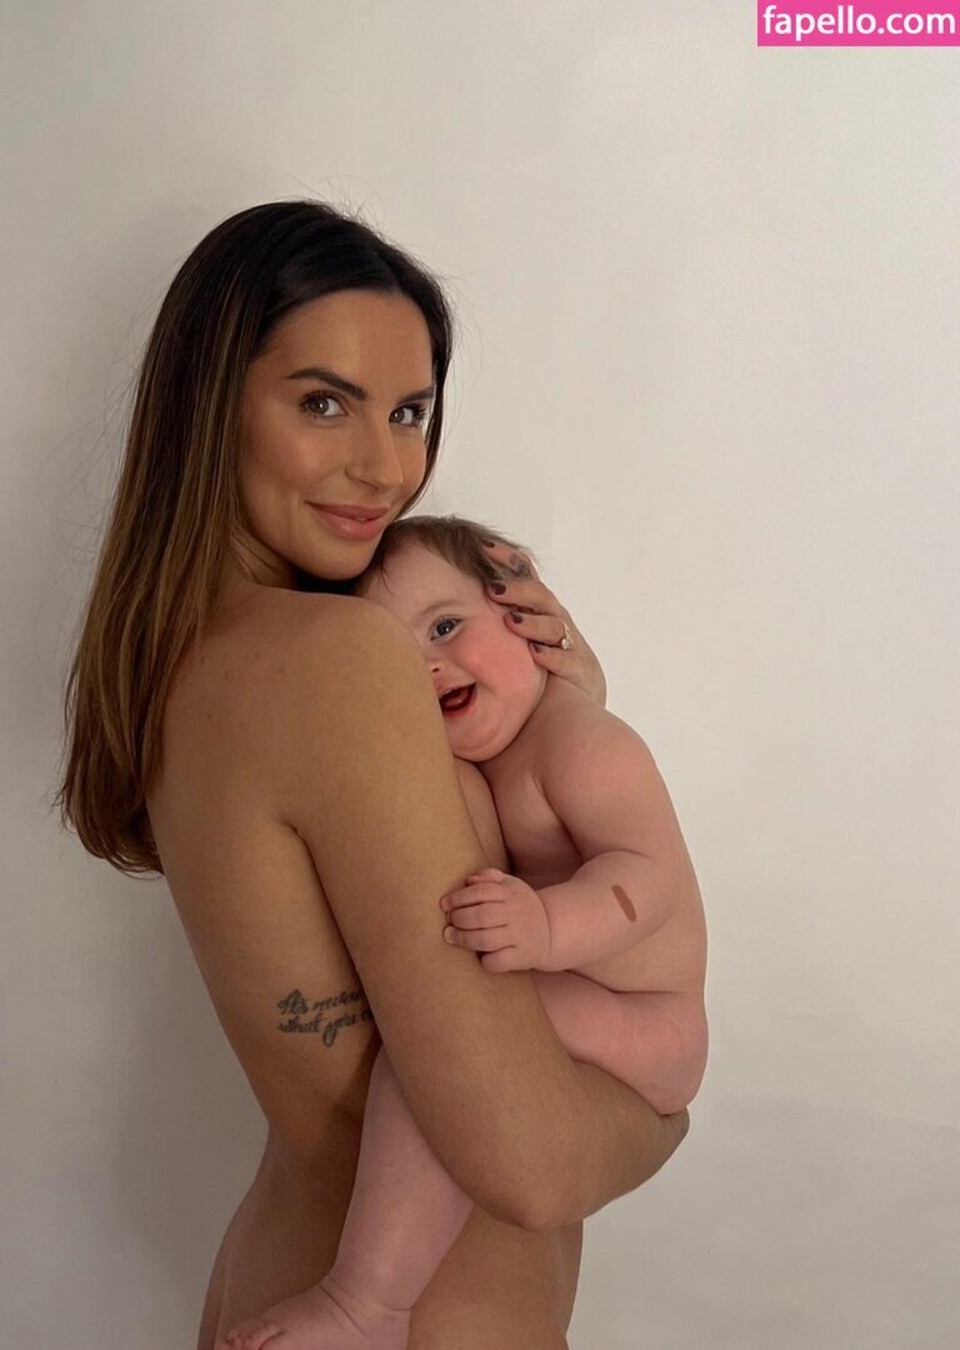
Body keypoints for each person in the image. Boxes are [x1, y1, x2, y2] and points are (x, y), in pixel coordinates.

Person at [57, 201, 690, 1350]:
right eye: (323, 403)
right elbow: (530, 1162)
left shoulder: (213, 656)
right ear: (211, 404)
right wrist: (668, 1115)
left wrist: (560, 720)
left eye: (409, 412)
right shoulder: (339, 662)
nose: (385, 465)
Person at [221, 515, 707, 1349]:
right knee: (439, 1060)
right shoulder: (500, 749)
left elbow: (651, 879)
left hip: (648, 1021)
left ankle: (366, 1306)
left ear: (526, 612)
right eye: (399, 658)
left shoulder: (584, 742)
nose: (430, 664)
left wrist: (547, 925)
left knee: (435, 1063)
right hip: (592, 1002)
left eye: (446, 627)